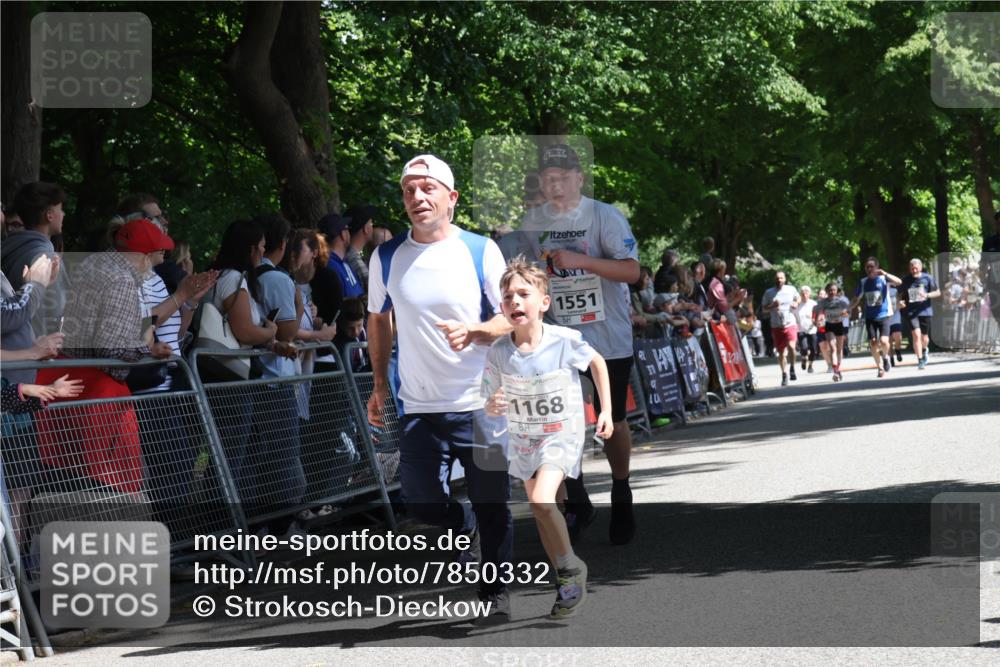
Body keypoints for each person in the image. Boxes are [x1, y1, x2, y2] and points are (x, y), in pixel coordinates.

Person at [366, 154, 514, 620]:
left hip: (482, 403)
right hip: (420, 407)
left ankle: (494, 590)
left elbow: (512, 317)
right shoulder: (386, 256)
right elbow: (377, 319)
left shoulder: (480, 250)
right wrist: (379, 385)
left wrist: (478, 331)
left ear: (451, 198)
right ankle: (460, 521)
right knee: (423, 504)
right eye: (409, 190)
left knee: (493, 503)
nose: (417, 197)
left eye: (427, 188)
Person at [519, 144, 641, 545]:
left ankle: (621, 490)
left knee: (613, 420)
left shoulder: (604, 216)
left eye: (563, 176)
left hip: (608, 337)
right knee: (559, 420)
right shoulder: (532, 222)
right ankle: (578, 498)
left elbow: (632, 271)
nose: (555, 184)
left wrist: (582, 261)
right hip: (557, 337)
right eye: (548, 178)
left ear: (579, 179)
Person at [482, 257, 612, 619]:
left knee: (541, 499)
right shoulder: (498, 351)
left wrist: (606, 410)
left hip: (561, 434)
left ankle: (571, 566)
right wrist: (493, 403)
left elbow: (598, 363)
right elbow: (488, 398)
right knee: (542, 511)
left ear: (544, 302)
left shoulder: (563, 340)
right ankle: (566, 583)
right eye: (508, 297)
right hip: (524, 439)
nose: (515, 301)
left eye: (524, 294)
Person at [33, 219, 174, 495]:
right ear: (144, 256)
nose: (156, 263)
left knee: (60, 480)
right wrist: (148, 350)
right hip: (95, 392)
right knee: (101, 489)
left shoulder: (94, 264)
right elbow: (110, 348)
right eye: (156, 255)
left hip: (65, 382)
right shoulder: (121, 280)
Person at [204, 220, 281, 500]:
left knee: (227, 453)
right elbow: (245, 331)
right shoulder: (233, 279)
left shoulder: (218, 275)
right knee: (230, 457)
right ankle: (223, 516)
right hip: (230, 377)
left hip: (217, 372)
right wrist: (270, 331)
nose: (263, 251)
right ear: (250, 249)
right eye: (261, 246)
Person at [248, 213, 306, 534]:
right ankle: (280, 526)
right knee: (282, 455)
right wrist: (299, 305)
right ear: (283, 244)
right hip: (275, 378)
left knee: (258, 455)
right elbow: (287, 333)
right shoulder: (278, 280)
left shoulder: (248, 275)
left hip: (254, 378)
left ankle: (260, 525)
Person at [2, 181, 67, 336]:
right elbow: (56, 313)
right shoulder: (47, 259)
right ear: (49, 215)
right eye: (60, 209)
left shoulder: (9, 248)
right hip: (34, 344)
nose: (63, 214)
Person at [849, 257, 903, 378]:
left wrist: (885, 273)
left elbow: (899, 282)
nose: (869, 269)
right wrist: (849, 308)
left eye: (871, 267)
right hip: (870, 316)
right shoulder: (863, 282)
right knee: (873, 342)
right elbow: (856, 298)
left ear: (877, 267)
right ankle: (880, 367)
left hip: (885, 314)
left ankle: (885, 357)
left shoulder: (884, 278)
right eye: (867, 267)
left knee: (884, 341)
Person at [898, 258, 941, 370]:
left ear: (920, 267)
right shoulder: (906, 280)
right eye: (912, 268)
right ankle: (920, 360)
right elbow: (899, 294)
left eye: (916, 268)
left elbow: (938, 292)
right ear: (909, 268)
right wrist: (900, 302)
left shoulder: (928, 278)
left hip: (925, 310)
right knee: (916, 335)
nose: (914, 270)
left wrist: (927, 295)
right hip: (911, 311)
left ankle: (924, 349)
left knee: (925, 337)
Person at [761, 271, 800, 386]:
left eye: (781, 278)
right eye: (777, 278)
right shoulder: (769, 292)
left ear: (785, 279)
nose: (779, 280)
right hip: (776, 325)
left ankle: (792, 367)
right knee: (781, 352)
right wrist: (773, 305)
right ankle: (784, 374)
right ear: (775, 279)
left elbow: (798, 298)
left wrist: (796, 303)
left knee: (792, 347)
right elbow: (764, 309)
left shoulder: (791, 289)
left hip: (790, 323)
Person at [321, 213, 364, 299]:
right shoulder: (330, 266)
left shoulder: (344, 263)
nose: (349, 233)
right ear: (343, 234)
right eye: (347, 228)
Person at [815, 282, 850, 381]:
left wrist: (845, 314)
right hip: (829, 325)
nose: (832, 292)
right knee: (833, 348)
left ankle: (838, 368)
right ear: (827, 291)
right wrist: (819, 319)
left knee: (839, 350)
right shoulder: (823, 302)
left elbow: (848, 312)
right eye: (830, 290)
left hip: (839, 325)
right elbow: (819, 312)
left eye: (834, 290)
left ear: (837, 291)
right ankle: (835, 371)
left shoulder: (841, 301)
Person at [344, 205, 376, 291]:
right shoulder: (354, 259)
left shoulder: (346, 254)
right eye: (371, 224)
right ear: (366, 229)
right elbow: (373, 291)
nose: (373, 227)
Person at [980, 211, 1000, 328]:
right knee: (997, 315)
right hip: (995, 285)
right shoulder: (989, 242)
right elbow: (983, 263)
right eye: (998, 223)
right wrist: (982, 278)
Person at [796, 285, 818, 373]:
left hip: (812, 329)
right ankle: (804, 358)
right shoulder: (797, 305)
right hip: (801, 329)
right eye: (803, 293)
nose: (804, 295)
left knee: (813, 349)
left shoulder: (814, 304)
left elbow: (818, 314)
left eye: (806, 293)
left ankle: (810, 365)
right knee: (804, 347)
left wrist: (816, 320)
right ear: (800, 294)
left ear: (809, 294)